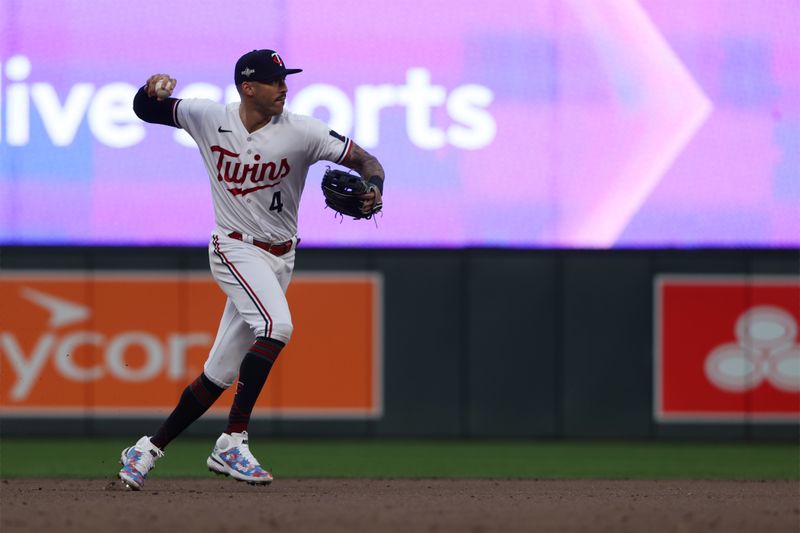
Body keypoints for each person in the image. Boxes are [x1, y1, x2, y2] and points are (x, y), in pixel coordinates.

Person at [117, 49, 385, 490]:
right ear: (248, 87)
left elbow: (366, 162)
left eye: (285, 79)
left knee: (219, 373)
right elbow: (147, 111)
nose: (284, 87)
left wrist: (373, 189)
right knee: (277, 326)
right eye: (275, 80)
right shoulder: (207, 117)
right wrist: (148, 91)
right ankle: (232, 440)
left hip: (281, 258)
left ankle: (146, 449)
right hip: (233, 247)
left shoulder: (302, 131)